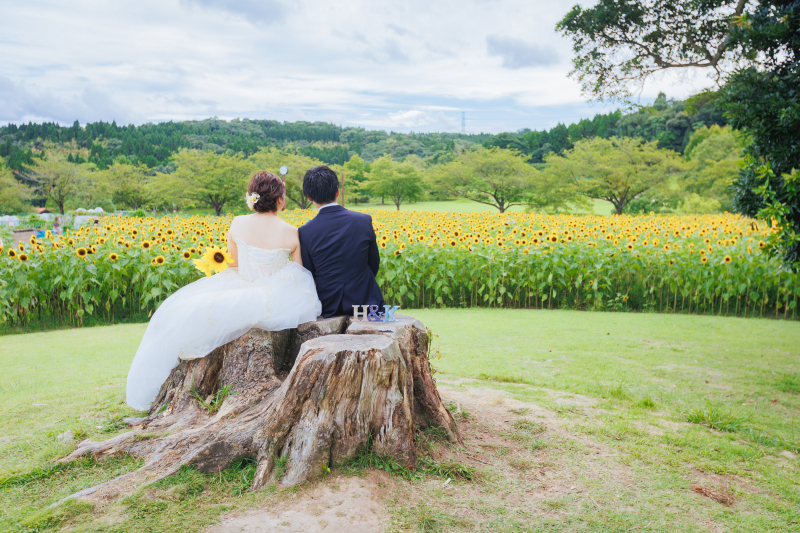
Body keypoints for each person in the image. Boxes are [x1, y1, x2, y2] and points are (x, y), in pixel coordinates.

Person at [126, 171, 321, 411]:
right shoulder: (292, 231)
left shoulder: (238, 222)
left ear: (253, 198)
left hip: (240, 284)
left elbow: (233, 265)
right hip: (274, 297)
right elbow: (297, 271)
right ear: (280, 199)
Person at [298, 165, 385, 317]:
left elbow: (309, 272)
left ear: (309, 197)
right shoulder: (363, 221)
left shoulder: (305, 231)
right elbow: (374, 263)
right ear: (337, 191)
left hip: (327, 306)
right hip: (366, 302)